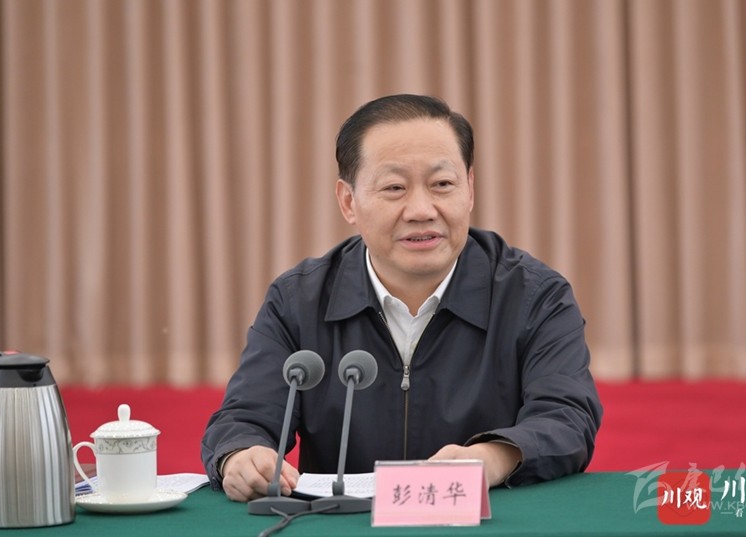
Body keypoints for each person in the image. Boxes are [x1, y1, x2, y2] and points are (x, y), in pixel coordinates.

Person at [201, 94, 603, 502]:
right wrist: (241, 455)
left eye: (442, 184)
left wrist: (492, 458)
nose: (421, 210)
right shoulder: (299, 301)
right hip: (343, 526)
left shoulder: (534, 297)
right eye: (394, 188)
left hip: (485, 523)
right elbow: (244, 418)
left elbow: (567, 418)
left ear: (469, 190)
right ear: (348, 202)